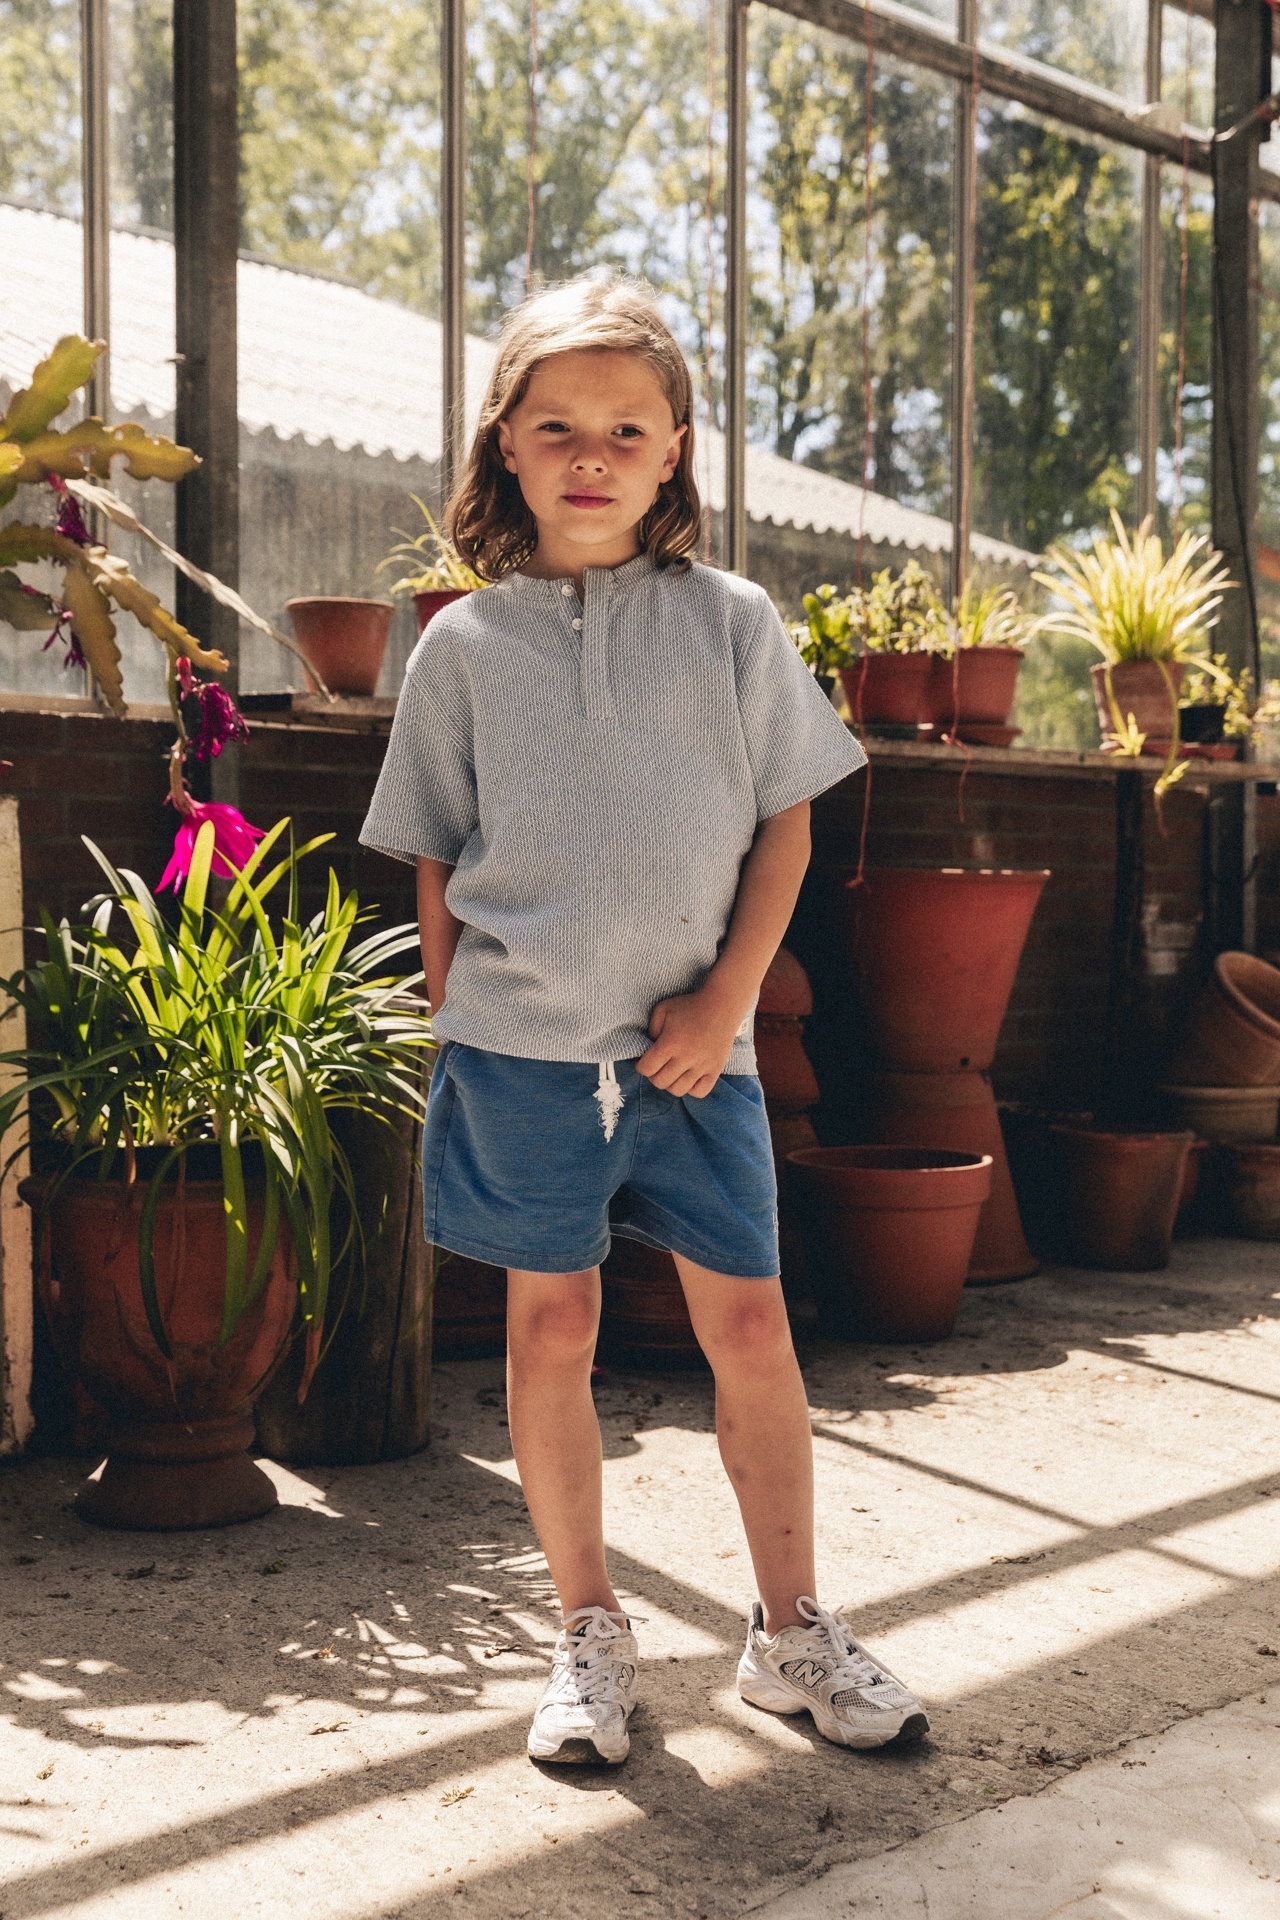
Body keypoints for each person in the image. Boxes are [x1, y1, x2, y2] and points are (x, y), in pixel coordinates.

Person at [361, 276, 929, 1766]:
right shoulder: (460, 648)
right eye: (556, 427)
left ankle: (791, 1632)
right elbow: (433, 845)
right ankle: (588, 1632)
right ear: (506, 444)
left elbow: (790, 821)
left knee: (750, 1324)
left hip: (700, 1059)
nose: (591, 456)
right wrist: (457, 1001)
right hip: (522, 1055)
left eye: (627, 429)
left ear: (675, 448)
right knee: (551, 1325)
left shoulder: (734, 625)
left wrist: (730, 997)